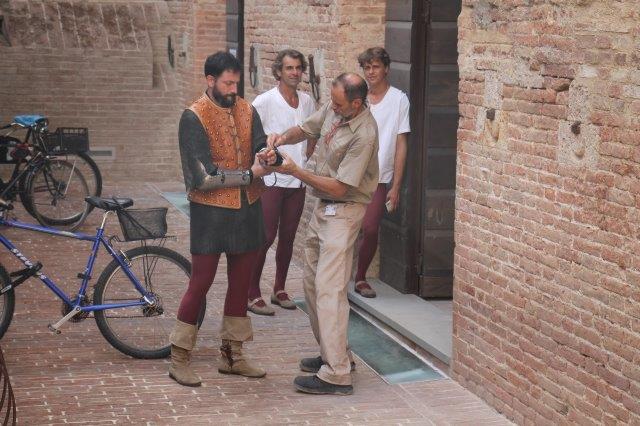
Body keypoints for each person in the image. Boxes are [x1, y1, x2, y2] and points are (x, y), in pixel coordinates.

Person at [168, 51, 277, 387]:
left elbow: (258, 143)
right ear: (210, 80)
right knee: (200, 283)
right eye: (227, 83)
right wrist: (250, 174)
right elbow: (201, 177)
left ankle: (232, 356)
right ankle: (179, 357)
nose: (233, 90)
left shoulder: (247, 109)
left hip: (248, 208)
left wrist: (268, 153)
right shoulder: (193, 117)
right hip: (210, 212)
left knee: (241, 284)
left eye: (236, 84)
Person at [266, 73, 379, 395]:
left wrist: (296, 171)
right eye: (333, 100)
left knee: (330, 289)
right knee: (312, 285)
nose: (333, 107)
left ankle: (337, 375)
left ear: (356, 103)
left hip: (344, 212)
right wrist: (280, 139)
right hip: (324, 209)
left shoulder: (365, 134)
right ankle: (336, 354)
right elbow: (306, 129)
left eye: (340, 104)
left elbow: (341, 187)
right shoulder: (335, 107)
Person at [247, 49, 317, 316]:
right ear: (278, 71)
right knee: (265, 236)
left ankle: (279, 289)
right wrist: (261, 160)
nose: (295, 72)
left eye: (298, 68)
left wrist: (306, 156)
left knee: (288, 237)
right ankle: (252, 293)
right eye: (289, 68)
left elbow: (312, 131)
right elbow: (250, 135)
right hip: (271, 180)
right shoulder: (265, 101)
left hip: (297, 179)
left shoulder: (307, 101)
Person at [353, 47, 410, 298]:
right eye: (367, 67)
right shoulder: (357, 98)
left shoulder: (399, 100)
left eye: (375, 66)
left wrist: (395, 186)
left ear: (386, 69)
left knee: (370, 228)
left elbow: (401, 143)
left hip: (378, 178)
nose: (371, 72)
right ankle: (339, 276)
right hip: (350, 175)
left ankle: (360, 277)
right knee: (346, 227)